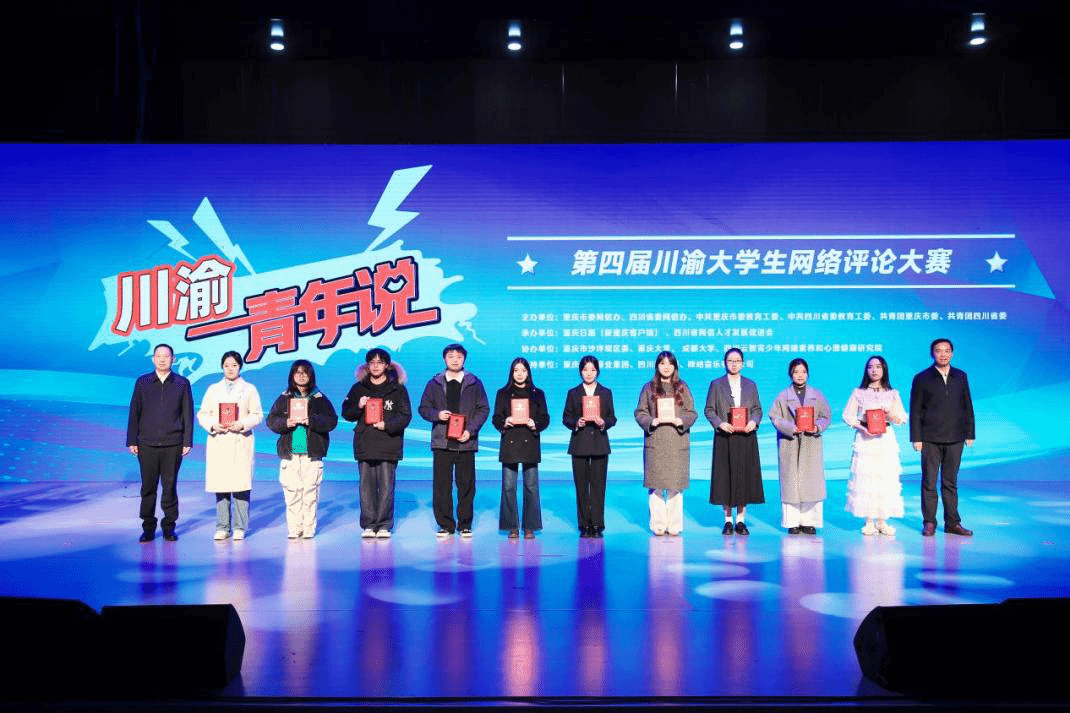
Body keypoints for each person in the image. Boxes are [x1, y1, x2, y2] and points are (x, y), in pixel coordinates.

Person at [418, 343, 490, 538]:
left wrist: (470, 431)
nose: (455, 360)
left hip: (466, 441)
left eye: (459, 356)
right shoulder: (434, 383)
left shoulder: (474, 382)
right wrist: (437, 415)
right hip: (442, 442)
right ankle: (445, 525)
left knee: (466, 485)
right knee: (442, 486)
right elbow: (423, 408)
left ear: (464, 359)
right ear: (444, 359)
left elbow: (483, 409)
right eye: (451, 356)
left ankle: (465, 524)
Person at [341, 348, 412, 539]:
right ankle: (369, 524)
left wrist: (387, 425)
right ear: (367, 366)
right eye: (372, 363)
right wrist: (359, 405)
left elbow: (405, 416)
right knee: (366, 487)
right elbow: (346, 413)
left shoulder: (398, 389)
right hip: (365, 443)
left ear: (387, 365)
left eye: (380, 363)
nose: (375, 366)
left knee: (386, 487)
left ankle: (384, 525)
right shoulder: (358, 388)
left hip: (389, 443)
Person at [127, 343, 193, 543]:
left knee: (169, 487)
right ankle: (148, 528)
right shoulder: (143, 382)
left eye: (166, 356)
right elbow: (134, 411)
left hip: (173, 443)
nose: (162, 359)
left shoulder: (182, 383)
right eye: (158, 356)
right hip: (146, 443)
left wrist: (187, 440)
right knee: (148, 487)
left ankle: (169, 528)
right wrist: (132, 439)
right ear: (153, 359)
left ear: (173, 359)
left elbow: (187, 413)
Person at [909, 338, 976, 537]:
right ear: (932, 354)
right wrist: (916, 437)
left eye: (947, 350)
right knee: (929, 482)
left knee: (950, 482)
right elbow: (915, 410)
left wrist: (970, 432)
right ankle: (929, 522)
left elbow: (967, 405)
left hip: (956, 437)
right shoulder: (922, 378)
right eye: (939, 350)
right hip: (929, 438)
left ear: (952, 353)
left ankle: (952, 523)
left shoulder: (961, 376)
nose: (943, 354)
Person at [267, 360, 337, 539]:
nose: (301, 375)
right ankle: (294, 528)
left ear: (311, 375)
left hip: (311, 454)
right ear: (292, 375)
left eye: (305, 372)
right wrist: (286, 422)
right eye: (297, 372)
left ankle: (308, 528)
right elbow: (271, 421)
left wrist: (311, 421)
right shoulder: (284, 397)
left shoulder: (319, 398)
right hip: (290, 454)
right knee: (291, 493)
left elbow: (331, 421)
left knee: (310, 493)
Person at [197, 351, 263, 541]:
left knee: (241, 487)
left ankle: (240, 527)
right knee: (222, 486)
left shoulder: (249, 389)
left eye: (234, 365)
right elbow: (202, 414)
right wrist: (213, 425)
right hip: (219, 441)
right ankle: (222, 527)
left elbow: (257, 415)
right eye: (227, 365)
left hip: (240, 440)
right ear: (222, 367)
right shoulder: (213, 389)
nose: (230, 369)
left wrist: (242, 424)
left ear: (240, 367)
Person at [633, 351, 697, 537]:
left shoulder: (682, 387)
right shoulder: (649, 387)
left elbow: (692, 412)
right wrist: (651, 421)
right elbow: (639, 412)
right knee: (656, 486)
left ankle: (674, 525)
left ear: (675, 367)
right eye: (662, 363)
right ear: (657, 366)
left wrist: (681, 421)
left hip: (677, 440)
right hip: (656, 441)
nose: (666, 367)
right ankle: (658, 524)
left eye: (670, 364)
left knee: (675, 486)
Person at [843, 355, 906, 535]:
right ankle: (869, 521)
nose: (874, 370)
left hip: (885, 439)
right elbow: (847, 415)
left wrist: (889, 413)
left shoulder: (892, 393)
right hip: (866, 439)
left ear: (884, 369)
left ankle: (882, 521)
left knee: (885, 478)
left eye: (878, 366)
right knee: (867, 478)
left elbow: (901, 417)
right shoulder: (859, 392)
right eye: (871, 367)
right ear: (866, 370)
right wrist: (862, 428)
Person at [768, 358, 831, 535]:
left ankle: (810, 521)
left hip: (811, 442)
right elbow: (774, 417)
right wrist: (790, 427)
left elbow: (826, 416)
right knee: (791, 482)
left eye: (803, 371)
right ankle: (792, 522)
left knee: (811, 481)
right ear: (790, 374)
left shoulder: (817, 394)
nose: (800, 375)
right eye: (796, 372)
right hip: (790, 442)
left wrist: (816, 426)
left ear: (808, 374)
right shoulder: (783, 396)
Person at [704, 347, 764, 535]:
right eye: (730, 361)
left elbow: (757, 409)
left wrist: (754, 421)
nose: (734, 364)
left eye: (737, 361)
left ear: (743, 363)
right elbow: (709, 410)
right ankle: (728, 520)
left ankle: (741, 520)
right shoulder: (716, 384)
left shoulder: (751, 385)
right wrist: (720, 424)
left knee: (743, 478)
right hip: (725, 436)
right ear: (725, 363)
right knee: (725, 477)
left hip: (746, 436)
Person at [492, 357, 550, 539]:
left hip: (530, 442)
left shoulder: (537, 393)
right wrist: (505, 422)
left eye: (523, 371)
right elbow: (496, 418)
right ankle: (511, 526)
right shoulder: (503, 393)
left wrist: (535, 424)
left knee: (531, 486)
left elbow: (545, 418)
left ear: (528, 373)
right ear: (512, 372)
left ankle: (530, 526)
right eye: (516, 370)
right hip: (510, 443)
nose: (519, 374)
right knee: (508, 487)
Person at [562, 355, 617, 538]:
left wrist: (603, 422)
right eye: (585, 369)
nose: (589, 373)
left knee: (598, 487)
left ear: (598, 371)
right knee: (581, 486)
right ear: (580, 371)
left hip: (599, 443)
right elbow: (566, 417)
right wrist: (576, 422)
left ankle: (598, 525)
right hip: (579, 443)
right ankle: (584, 525)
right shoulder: (573, 392)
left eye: (592, 370)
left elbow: (612, 417)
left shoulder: (606, 392)